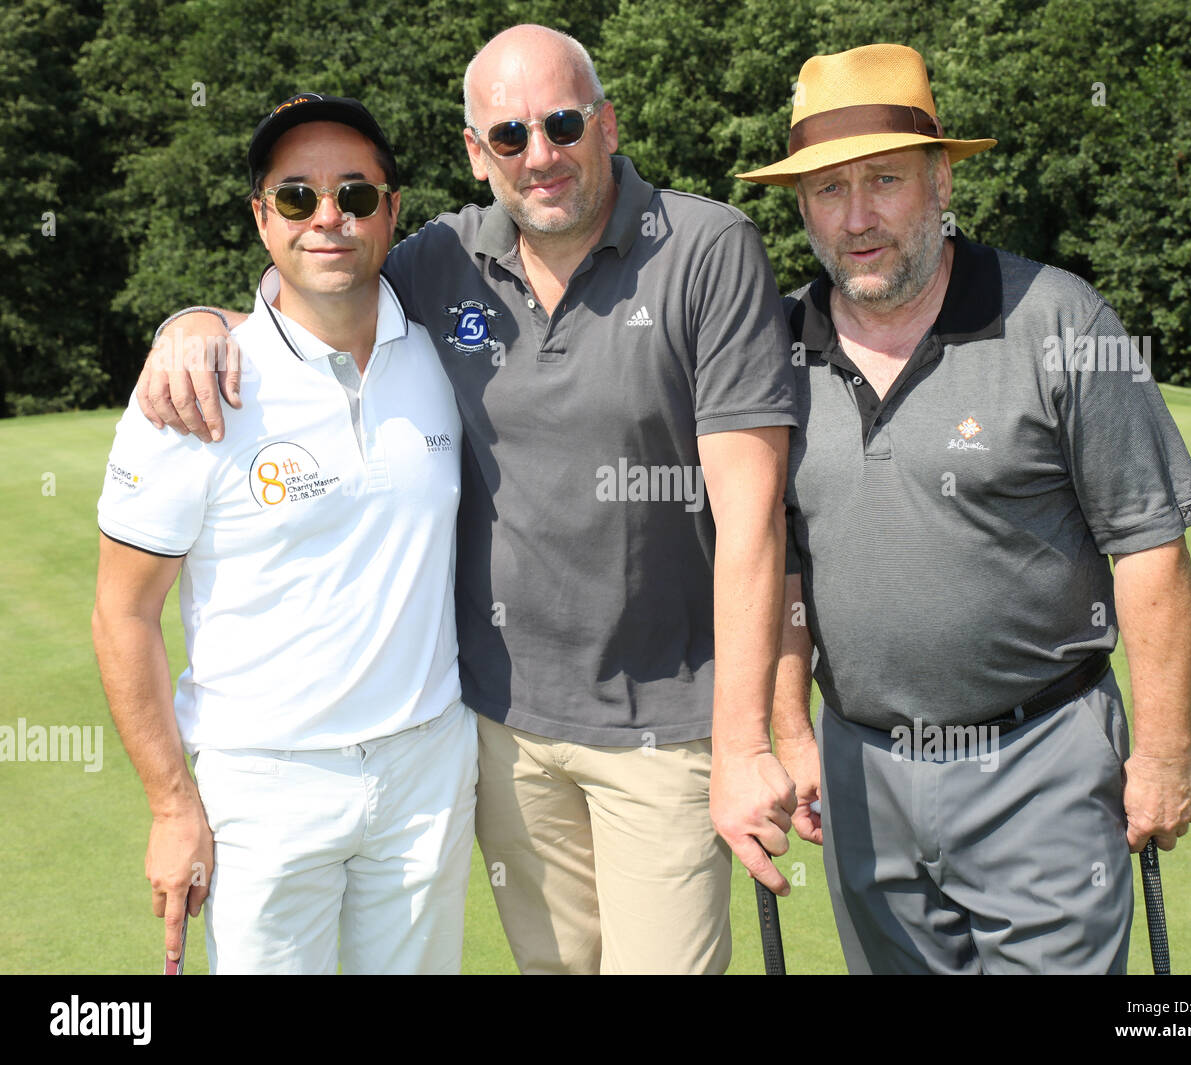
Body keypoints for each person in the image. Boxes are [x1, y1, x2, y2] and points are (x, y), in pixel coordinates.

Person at [133, 25, 798, 974]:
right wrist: (195, 323)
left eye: (563, 123)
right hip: (501, 730)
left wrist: (744, 744)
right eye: (510, 135)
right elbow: (318, 286)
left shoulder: (705, 247)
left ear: (606, 124)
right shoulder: (439, 259)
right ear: (474, 153)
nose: (542, 155)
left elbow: (752, 515)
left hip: (666, 727)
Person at [735, 44, 1191, 973]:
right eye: (829, 190)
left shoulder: (1059, 319)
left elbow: (1150, 546)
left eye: (885, 180)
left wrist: (1162, 753)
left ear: (943, 178)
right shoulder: (774, 346)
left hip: (1041, 761)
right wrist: (792, 730)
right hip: (862, 774)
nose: (858, 217)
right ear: (800, 206)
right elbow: (778, 564)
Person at [93, 93, 477, 974]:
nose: (329, 218)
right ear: (263, 218)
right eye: (298, 198)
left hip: (427, 772)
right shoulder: (191, 389)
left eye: (355, 193)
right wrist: (169, 805)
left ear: (392, 210)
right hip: (264, 790)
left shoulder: (445, 356)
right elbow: (122, 614)